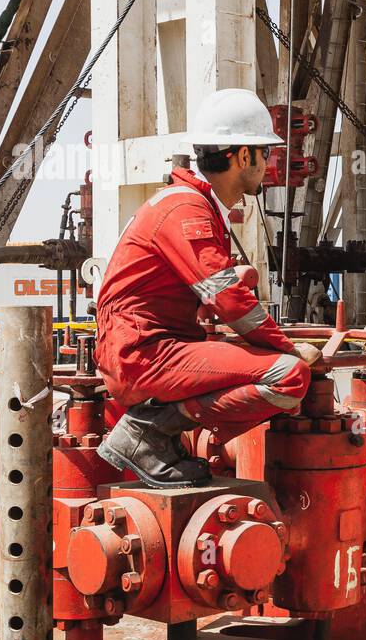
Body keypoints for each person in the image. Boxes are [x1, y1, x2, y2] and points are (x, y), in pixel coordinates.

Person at [95, 88, 322, 486]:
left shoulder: (193, 206)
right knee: (289, 376)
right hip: (143, 354)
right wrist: (288, 348)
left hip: (150, 348)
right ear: (241, 155)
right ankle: (148, 432)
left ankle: (155, 435)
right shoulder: (187, 210)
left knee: (268, 362)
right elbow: (229, 300)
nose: (269, 163)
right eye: (264, 153)